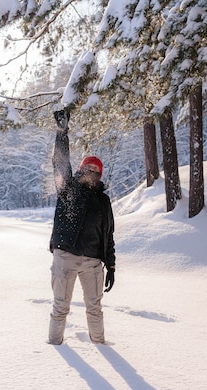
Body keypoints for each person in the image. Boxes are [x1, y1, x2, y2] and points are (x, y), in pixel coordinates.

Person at [47, 108, 116, 345]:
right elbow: (59, 162)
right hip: (66, 256)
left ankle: (100, 345)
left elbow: (109, 234)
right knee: (60, 307)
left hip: (93, 263)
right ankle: (54, 347)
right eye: (88, 168)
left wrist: (112, 264)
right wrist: (62, 133)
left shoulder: (104, 200)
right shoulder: (68, 188)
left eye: (96, 170)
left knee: (94, 309)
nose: (92, 172)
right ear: (81, 170)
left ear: (100, 174)